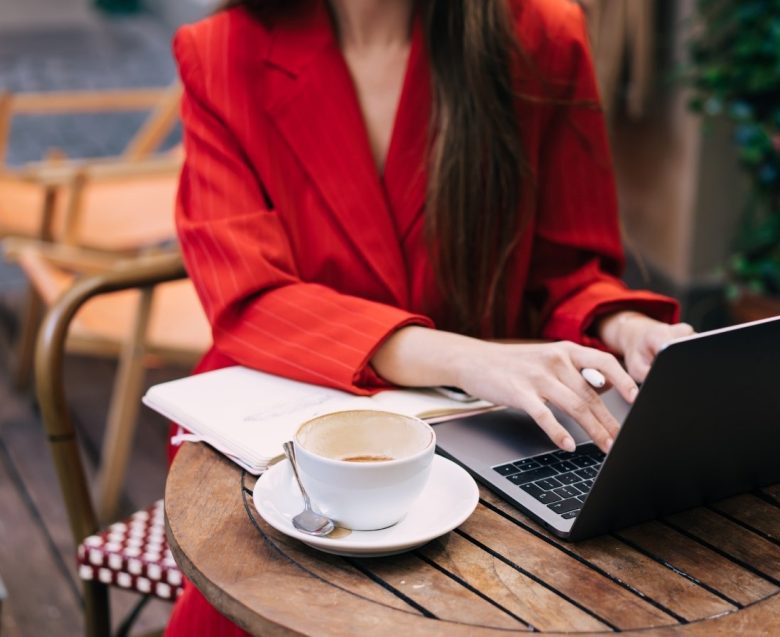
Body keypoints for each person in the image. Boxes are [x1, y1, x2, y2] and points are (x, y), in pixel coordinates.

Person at [166, 0, 694, 632]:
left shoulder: (540, 35)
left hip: (479, 440)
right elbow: (249, 298)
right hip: (279, 424)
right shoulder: (221, 53)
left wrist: (624, 326)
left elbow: (569, 271)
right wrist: (467, 358)